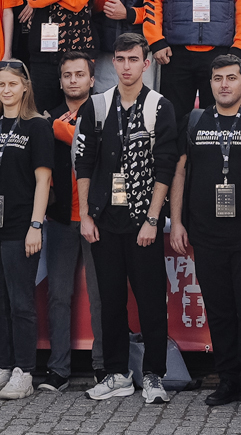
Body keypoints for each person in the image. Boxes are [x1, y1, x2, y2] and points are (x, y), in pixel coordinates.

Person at [168, 48, 241, 411]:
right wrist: (177, 222)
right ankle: (228, 380)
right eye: (217, 78)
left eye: (231, 77)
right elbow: (180, 173)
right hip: (205, 234)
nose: (224, 84)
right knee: (218, 310)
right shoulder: (195, 121)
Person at [77, 32, 180, 405]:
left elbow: (166, 167)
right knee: (110, 300)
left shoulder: (159, 106)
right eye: (119, 59)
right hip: (104, 220)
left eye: (133, 59)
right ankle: (117, 373)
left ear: (146, 63)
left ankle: (153, 375)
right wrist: (86, 215)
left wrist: (153, 219)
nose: (125, 66)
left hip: (142, 222)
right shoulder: (98, 105)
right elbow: (84, 163)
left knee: (152, 300)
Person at [0, 62, 58, 399]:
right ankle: (0, 367)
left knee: (21, 303)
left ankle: (24, 371)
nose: (6, 90)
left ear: (25, 87)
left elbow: (43, 179)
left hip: (21, 227)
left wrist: (35, 225)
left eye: (12, 84)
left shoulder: (37, 127)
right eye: (1, 84)